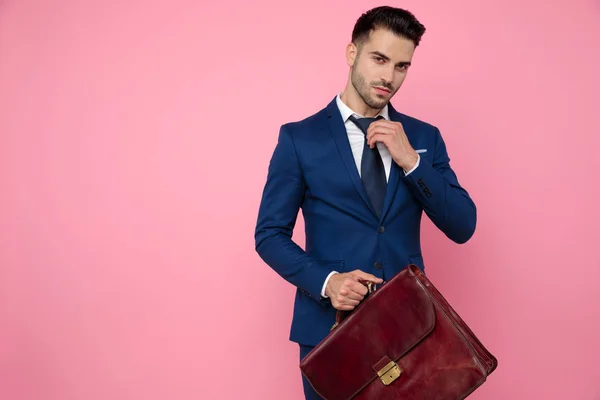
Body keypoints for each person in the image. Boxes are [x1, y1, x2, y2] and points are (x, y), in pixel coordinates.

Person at [254, 6, 476, 399]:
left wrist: (411, 161)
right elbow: (269, 235)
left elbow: (463, 226)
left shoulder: (424, 137)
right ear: (352, 53)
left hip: (411, 330)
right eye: (379, 59)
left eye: (402, 66)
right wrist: (326, 282)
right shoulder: (299, 139)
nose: (389, 77)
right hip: (329, 333)